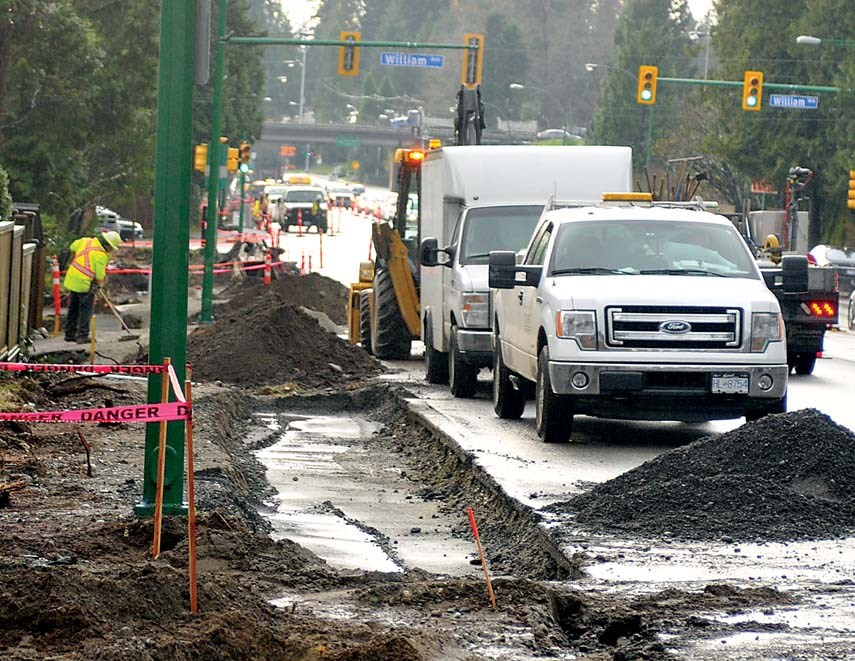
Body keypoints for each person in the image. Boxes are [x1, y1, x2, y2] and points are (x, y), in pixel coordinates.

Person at [63, 230, 121, 342]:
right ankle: (82, 336)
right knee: (86, 308)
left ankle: (69, 334)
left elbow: (72, 247)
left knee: (73, 307)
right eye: (112, 248)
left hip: (73, 278)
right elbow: (99, 275)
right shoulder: (101, 255)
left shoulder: (86, 241)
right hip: (84, 282)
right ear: (107, 245)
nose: (112, 250)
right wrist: (99, 285)